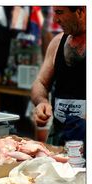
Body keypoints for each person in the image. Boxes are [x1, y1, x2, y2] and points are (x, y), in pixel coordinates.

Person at [31, 6, 86, 147]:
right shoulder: (57, 42)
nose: (55, 19)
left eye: (60, 12)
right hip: (59, 134)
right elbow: (41, 82)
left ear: (80, 11)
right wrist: (41, 101)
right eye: (54, 13)